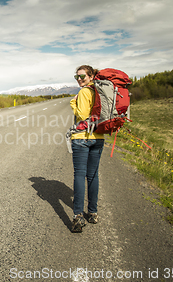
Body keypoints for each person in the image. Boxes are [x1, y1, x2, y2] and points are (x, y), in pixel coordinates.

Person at [69, 65, 105, 233]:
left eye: (82, 76)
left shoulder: (84, 92)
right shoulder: (99, 92)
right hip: (97, 138)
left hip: (82, 138)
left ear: (91, 76)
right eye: (77, 77)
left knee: (79, 175)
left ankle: (78, 216)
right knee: (93, 176)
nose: (79, 79)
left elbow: (83, 115)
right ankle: (92, 212)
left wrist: (73, 103)